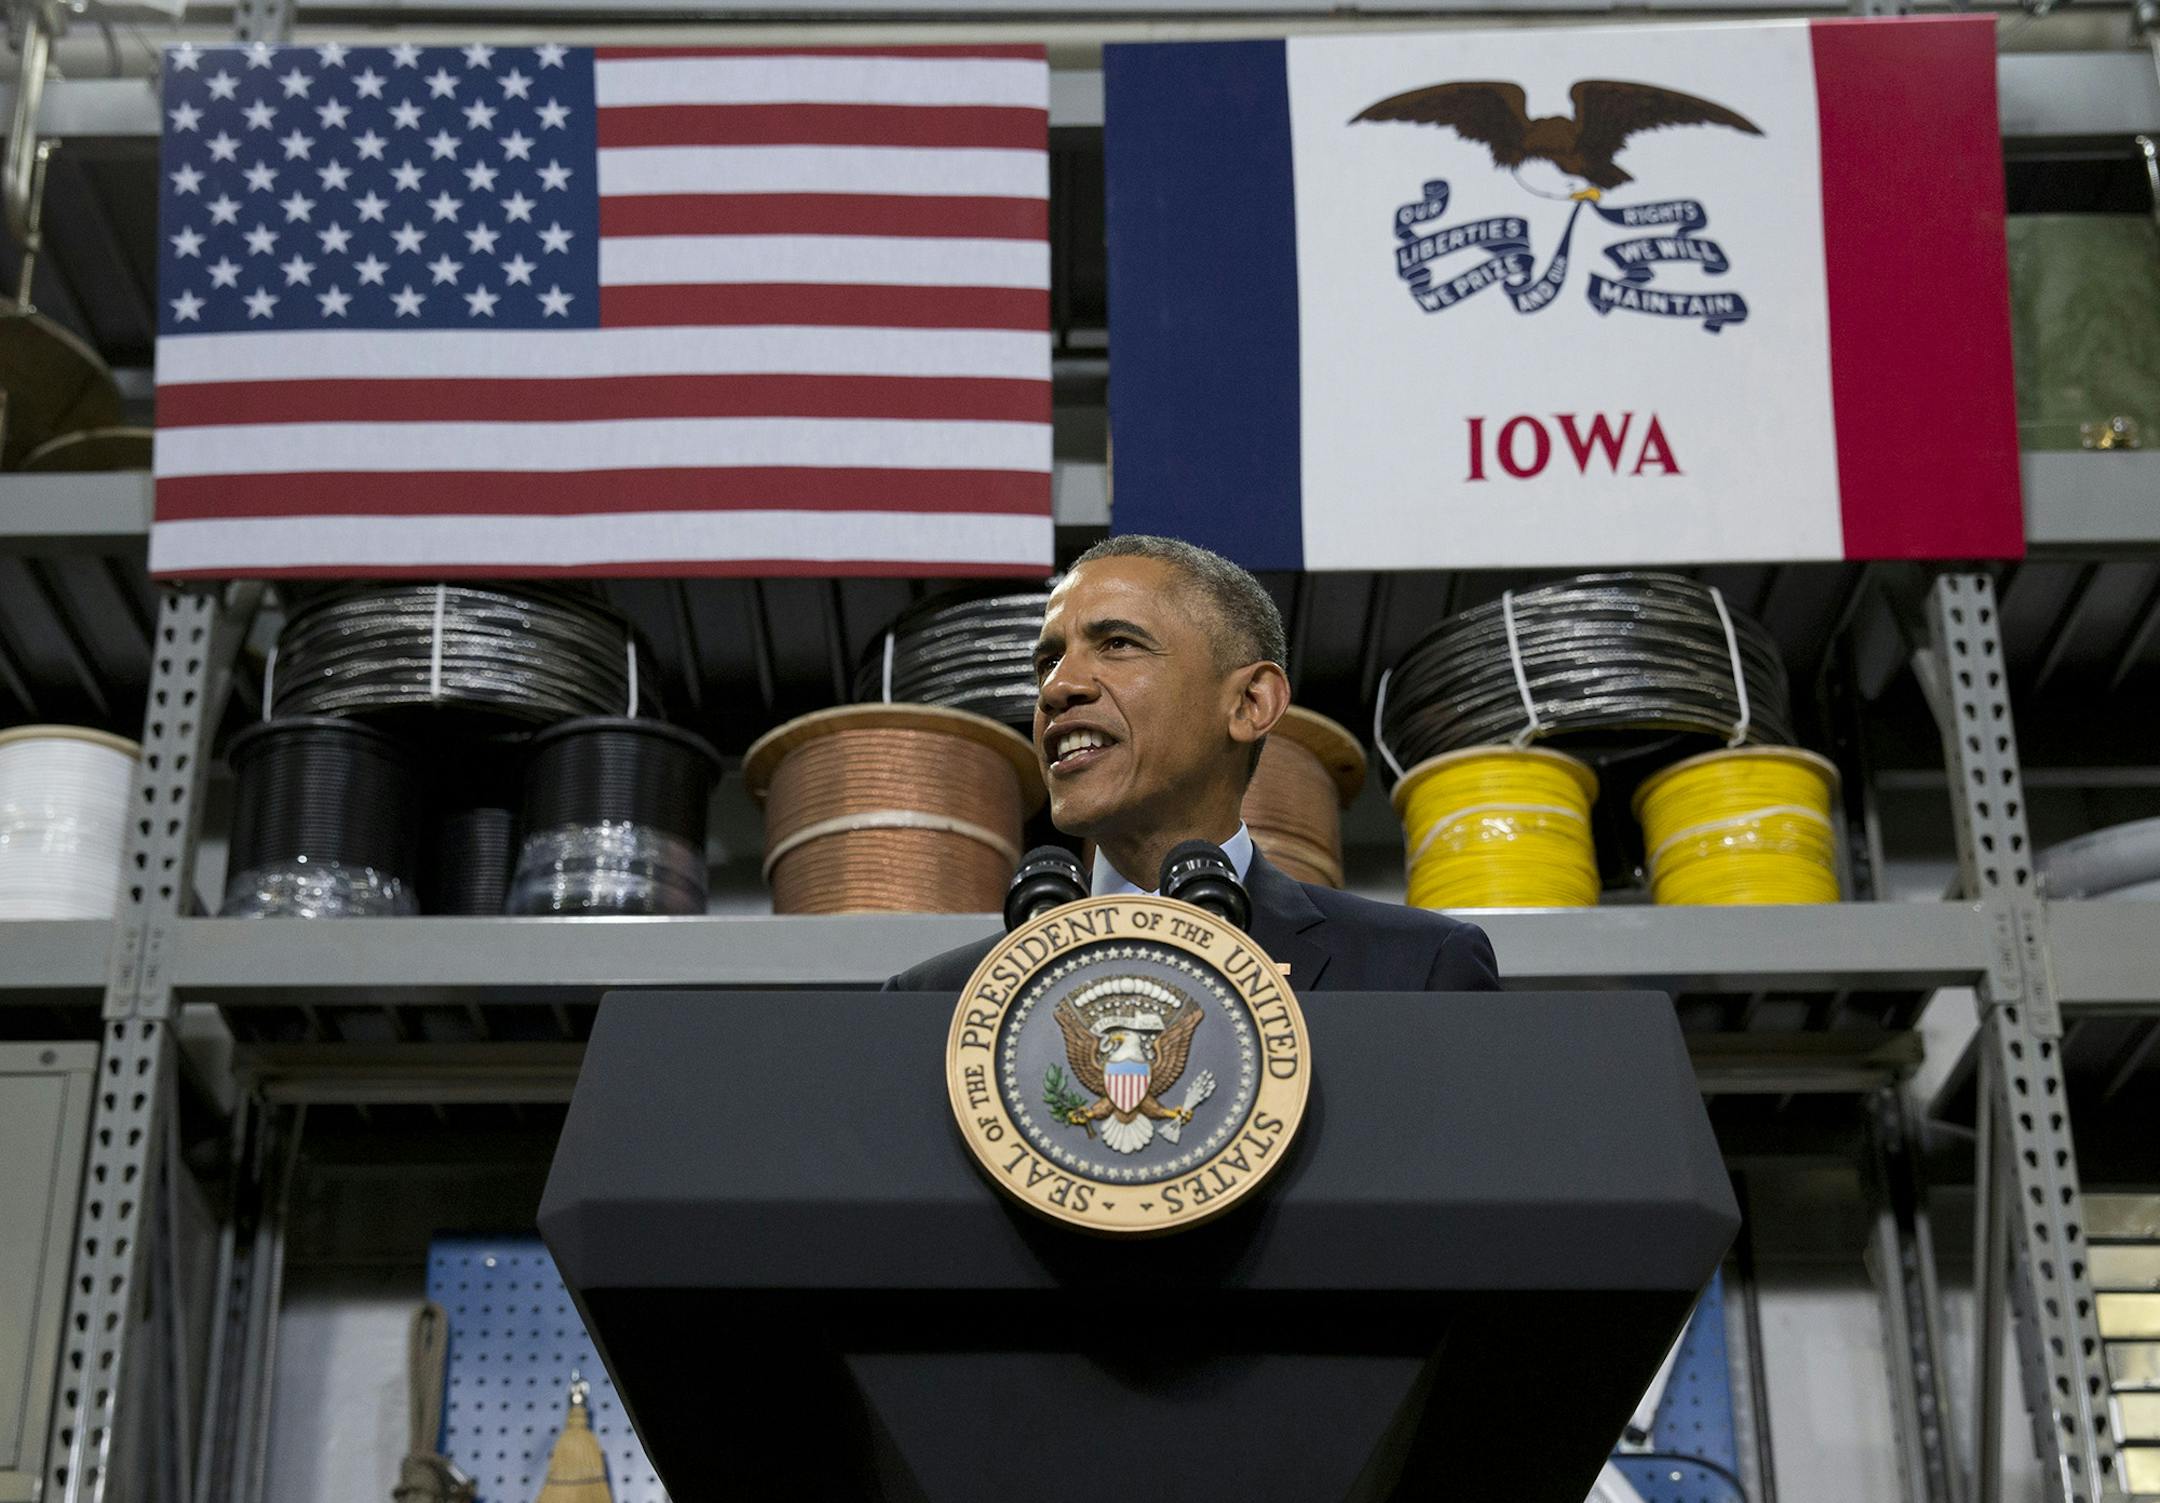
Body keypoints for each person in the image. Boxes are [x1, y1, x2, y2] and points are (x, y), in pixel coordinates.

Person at [885, 535, 1499, 993]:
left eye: (1118, 644)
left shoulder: (1416, 970)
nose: (1057, 688)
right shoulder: (932, 1002)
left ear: (1250, 703)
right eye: (1048, 662)